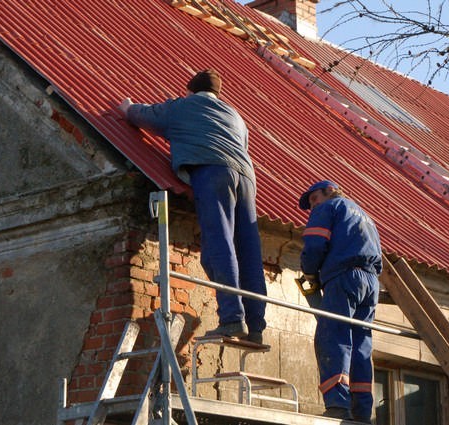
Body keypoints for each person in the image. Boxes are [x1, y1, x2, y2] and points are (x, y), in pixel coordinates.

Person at [118, 69, 267, 344]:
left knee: (220, 244)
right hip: (246, 178)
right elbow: (243, 145)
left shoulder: (183, 106)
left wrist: (127, 108)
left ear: (190, 90)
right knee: (248, 248)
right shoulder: (235, 116)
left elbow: (146, 116)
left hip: (212, 171)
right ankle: (256, 325)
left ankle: (233, 319)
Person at [298, 180, 382, 424]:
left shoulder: (329, 208)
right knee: (361, 343)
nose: (313, 206)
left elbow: (314, 246)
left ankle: (337, 404)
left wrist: (310, 273)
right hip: (370, 283)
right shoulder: (366, 217)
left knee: (332, 336)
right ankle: (362, 411)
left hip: (343, 277)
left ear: (330, 192)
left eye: (314, 198)